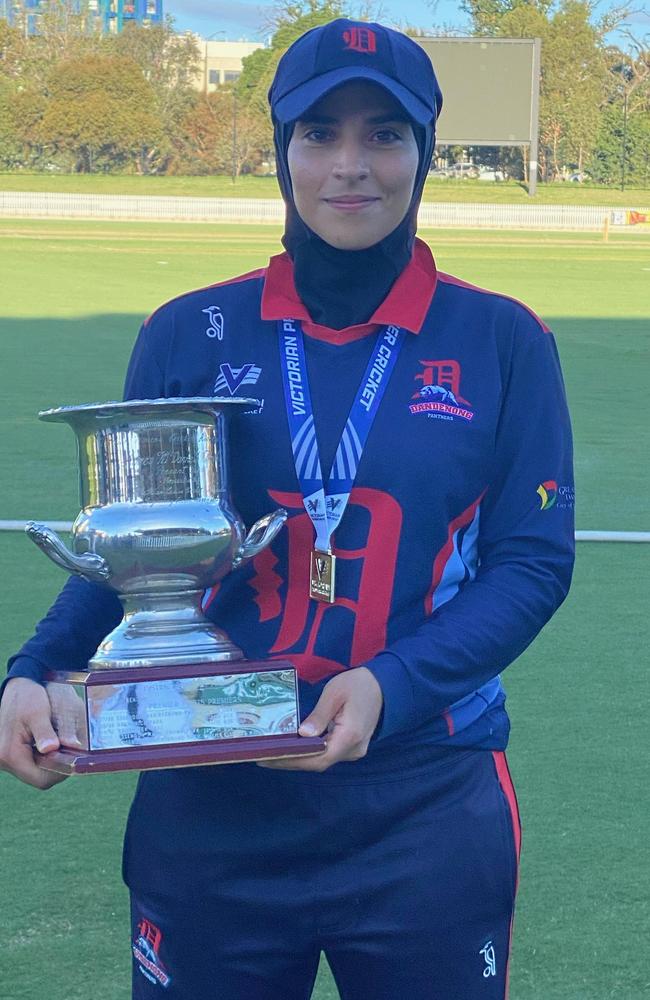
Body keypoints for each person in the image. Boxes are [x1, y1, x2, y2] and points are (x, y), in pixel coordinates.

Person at [0, 18, 575, 1000]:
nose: (349, 166)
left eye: (384, 134)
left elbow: (530, 562)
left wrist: (391, 685)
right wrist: (36, 669)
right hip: (209, 802)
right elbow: (134, 549)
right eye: (319, 133)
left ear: (423, 153)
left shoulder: (502, 340)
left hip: (423, 800)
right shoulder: (187, 331)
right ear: (280, 152)